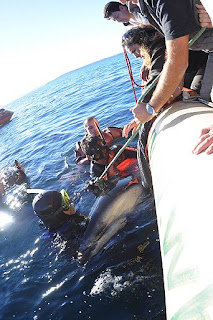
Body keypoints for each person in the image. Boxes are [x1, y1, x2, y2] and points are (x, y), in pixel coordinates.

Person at [119, 0, 213, 155]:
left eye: (135, 51)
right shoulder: (146, 6)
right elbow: (176, 52)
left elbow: (177, 61)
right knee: (204, 96)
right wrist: (174, 89)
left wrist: (150, 108)